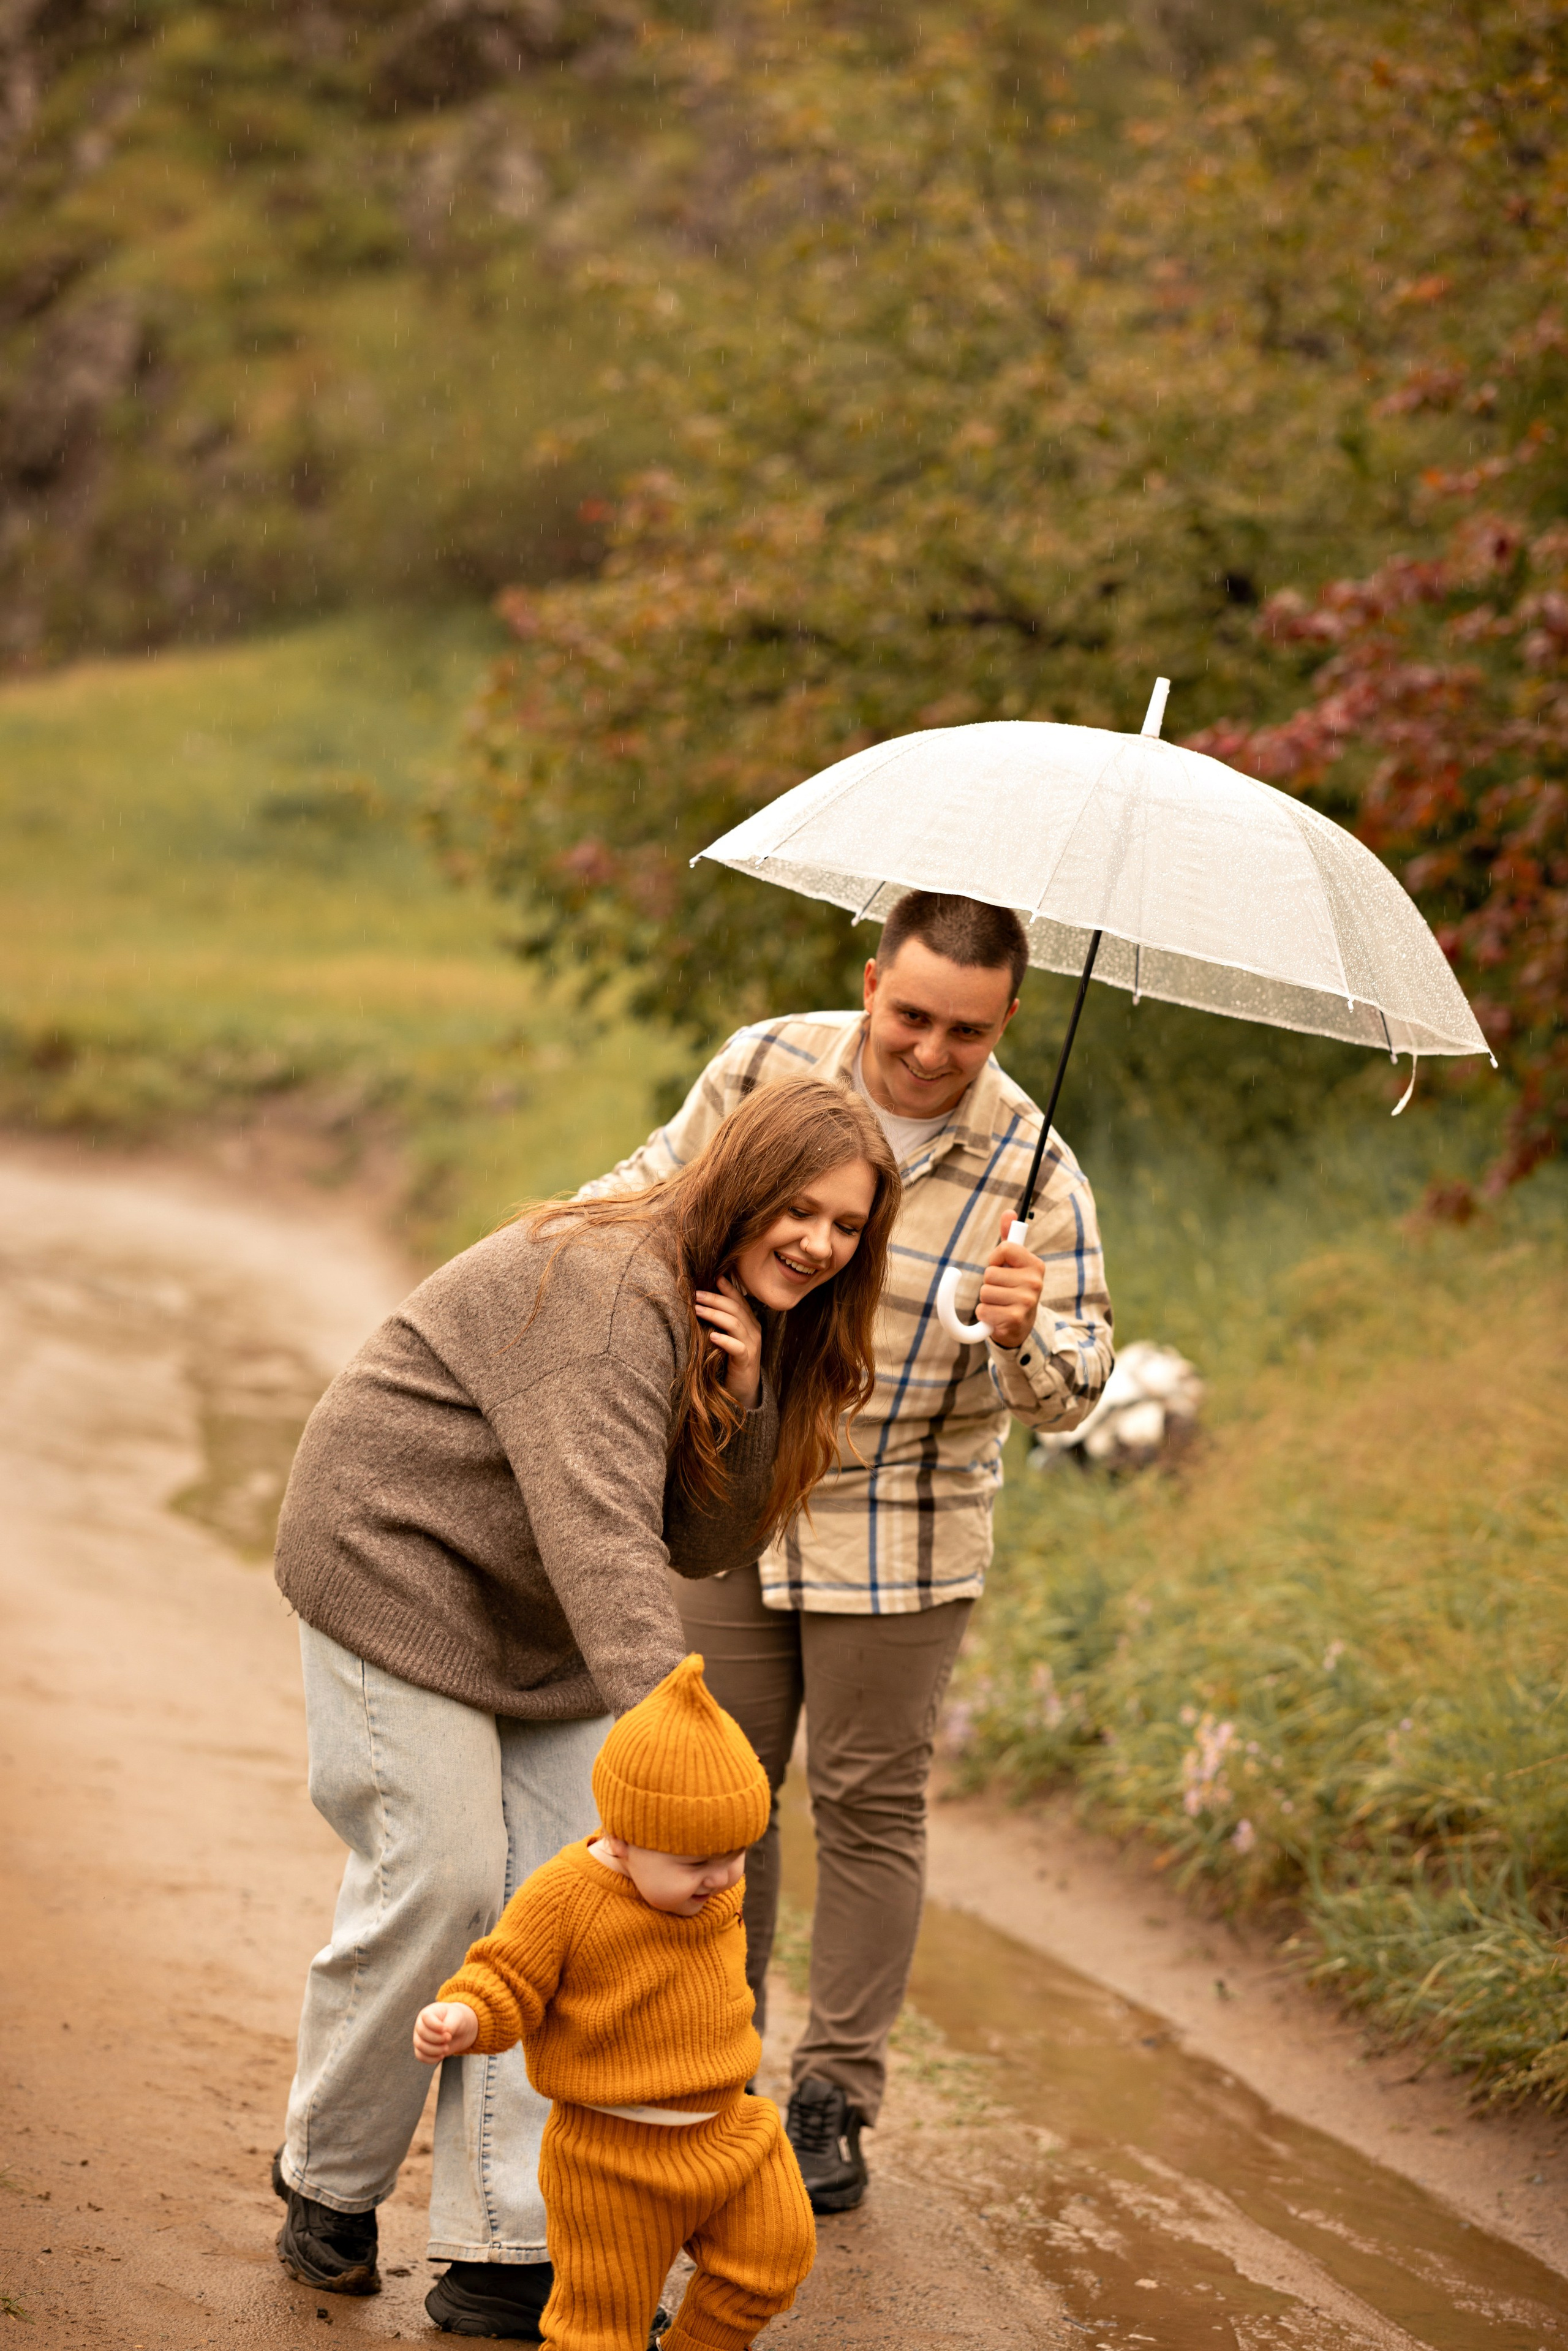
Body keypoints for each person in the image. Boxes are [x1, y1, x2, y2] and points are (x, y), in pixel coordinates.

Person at [269, 1075, 897, 2338]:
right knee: (445, 1876)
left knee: (573, 1905)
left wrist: (756, 1387)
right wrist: (683, 1735)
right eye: (799, 1208)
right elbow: (603, 1535)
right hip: (391, 1566)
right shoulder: (613, 1286)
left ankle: (501, 2248)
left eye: (846, 1226)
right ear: (741, 1181)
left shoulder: (727, 1311)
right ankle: (327, 2181)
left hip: (529, 1616)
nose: (819, 1243)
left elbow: (701, 1542)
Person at [584, 891, 1112, 2215]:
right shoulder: (762, 1066)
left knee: (870, 1803)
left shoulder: (1037, 1170)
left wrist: (1020, 1333)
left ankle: (834, 2096)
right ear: (871, 979)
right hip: (730, 1486)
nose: (932, 1051)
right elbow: (641, 1195)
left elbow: (1073, 1393)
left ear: (1008, 1022)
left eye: (968, 1031)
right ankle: (720, 2063)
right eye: (912, 1014)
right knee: (722, 1795)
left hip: (907, 1518)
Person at [414, 1655, 816, 2351]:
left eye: (737, 1853)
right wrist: (467, 2015)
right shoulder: (567, 1894)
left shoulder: (713, 1884)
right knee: (598, 2330)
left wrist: (704, 1869)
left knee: (772, 2260)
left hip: (728, 2128)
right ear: (623, 1839)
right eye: (696, 1862)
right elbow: (507, 1975)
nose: (721, 1878)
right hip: (610, 2158)